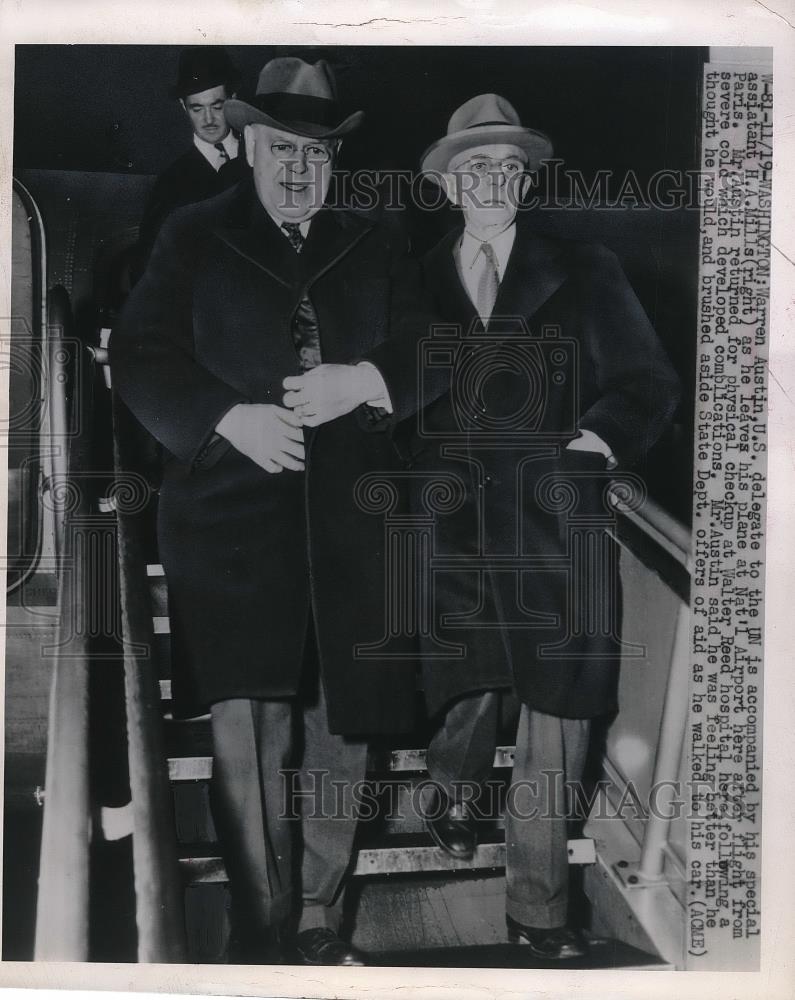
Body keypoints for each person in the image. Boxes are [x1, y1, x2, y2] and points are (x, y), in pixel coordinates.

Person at [111, 57, 443, 966]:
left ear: (336, 161)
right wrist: (226, 416)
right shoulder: (190, 232)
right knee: (248, 724)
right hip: (229, 518)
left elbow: (429, 348)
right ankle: (261, 921)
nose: (299, 169)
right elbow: (140, 353)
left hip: (350, 520)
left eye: (317, 153)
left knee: (347, 721)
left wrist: (364, 378)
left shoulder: (378, 239)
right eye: (281, 148)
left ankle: (318, 918)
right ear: (249, 144)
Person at [408, 94, 681, 960]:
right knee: (467, 687)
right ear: (450, 186)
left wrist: (595, 441)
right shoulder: (411, 280)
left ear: (524, 183)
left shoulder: (585, 264)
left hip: (551, 522)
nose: (492, 182)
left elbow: (645, 379)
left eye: (507, 168)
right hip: (451, 523)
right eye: (474, 168)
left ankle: (537, 909)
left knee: (553, 714)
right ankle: (452, 792)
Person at [136, 46, 248, 267]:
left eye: (217, 107)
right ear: (183, 107)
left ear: (233, 99)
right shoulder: (170, 183)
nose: (208, 119)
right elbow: (148, 268)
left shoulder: (261, 158)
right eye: (197, 109)